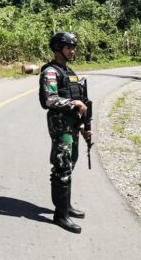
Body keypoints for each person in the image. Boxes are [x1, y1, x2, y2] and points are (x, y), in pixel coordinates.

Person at [39, 32, 91, 234]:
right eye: (69, 47)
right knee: (62, 166)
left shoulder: (69, 72)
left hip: (73, 125)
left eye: (73, 47)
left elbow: (83, 101)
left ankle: (66, 206)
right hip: (60, 126)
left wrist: (86, 128)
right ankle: (60, 215)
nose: (73, 51)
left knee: (71, 161)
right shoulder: (50, 72)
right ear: (58, 49)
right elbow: (49, 100)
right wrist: (72, 103)